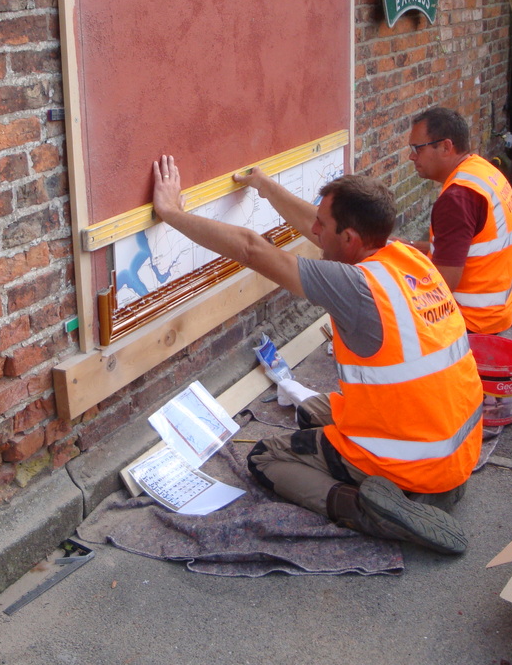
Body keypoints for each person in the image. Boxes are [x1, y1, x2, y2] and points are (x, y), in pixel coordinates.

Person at [150, 155, 482, 554]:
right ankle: (428, 491)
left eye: (323, 226)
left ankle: (369, 509)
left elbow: (252, 250)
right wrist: (266, 187)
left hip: (409, 458)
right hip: (456, 450)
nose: (314, 230)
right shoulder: (407, 259)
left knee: (266, 458)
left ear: (350, 239)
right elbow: (320, 223)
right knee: (312, 412)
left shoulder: (355, 285)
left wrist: (170, 212)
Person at [405, 107, 512, 335]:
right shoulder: (482, 171)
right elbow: (467, 249)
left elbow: (442, 285)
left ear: (446, 147)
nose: (411, 156)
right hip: (497, 312)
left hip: (469, 322)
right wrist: (406, 248)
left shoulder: (457, 200)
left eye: (416, 148)